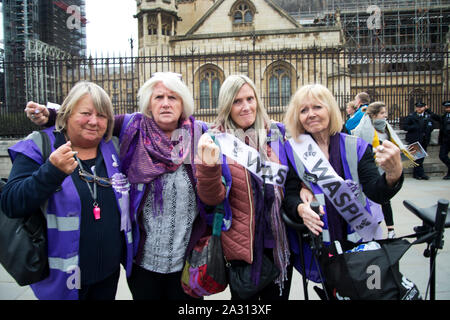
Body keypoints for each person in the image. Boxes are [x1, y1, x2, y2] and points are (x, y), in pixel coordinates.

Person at [25, 72, 208, 300]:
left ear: (184, 104)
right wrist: (50, 114)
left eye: (173, 97)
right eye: (158, 97)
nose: (166, 103)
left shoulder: (200, 134)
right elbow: (94, 120)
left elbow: (232, 151)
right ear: (149, 104)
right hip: (142, 261)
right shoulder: (133, 126)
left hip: (187, 260)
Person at [1, 81, 134, 300]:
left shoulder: (115, 147)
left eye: (102, 116)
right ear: (67, 114)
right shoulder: (40, 145)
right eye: (85, 113)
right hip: (61, 280)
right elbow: (11, 203)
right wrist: (51, 172)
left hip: (108, 276)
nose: (94, 121)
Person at [282, 84, 404, 292]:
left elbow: (376, 191)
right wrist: (300, 209)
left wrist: (393, 174)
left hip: (360, 243)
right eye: (303, 110)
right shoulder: (293, 150)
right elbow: (290, 194)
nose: (311, 114)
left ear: (329, 109)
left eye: (317, 107)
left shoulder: (356, 146)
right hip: (324, 246)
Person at [196, 74, 292, 300]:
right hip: (240, 248)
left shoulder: (278, 134)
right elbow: (211, 198)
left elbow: (293, 182)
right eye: (237, 101)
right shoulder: (215, 140)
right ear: (227, 105)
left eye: (250, 99)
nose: (246, 107)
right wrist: (209, 167)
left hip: (278, 244)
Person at [353, 101, 417, 239]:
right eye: (382, 113)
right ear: (374, 115)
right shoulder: (363, 130)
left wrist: (405, 154)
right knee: (371, 202)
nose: (385, 116)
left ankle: (391, 230)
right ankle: (372, 231)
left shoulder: (387, 129)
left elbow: (396, 146)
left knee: (385, 200)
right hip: (371, 171)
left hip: (385, 171)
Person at [403, 101, 440, 180]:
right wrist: (414, 127)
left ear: (424, 107)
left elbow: (434, 123)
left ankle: (416, 174)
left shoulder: (428, 116)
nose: (419, 108)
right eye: (418, 107)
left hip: (424, 139)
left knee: (421, 157)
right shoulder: (411, 116)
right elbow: (405, 126)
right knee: (418, 157)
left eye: (421, 107)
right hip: (415, 139)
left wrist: (429, 129)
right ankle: (421, 174)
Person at [439, 100, 450, 180]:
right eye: (446, 107)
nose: (447, 108)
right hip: (445, 140)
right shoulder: (444, 116)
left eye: (449, 107)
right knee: (442, 156)